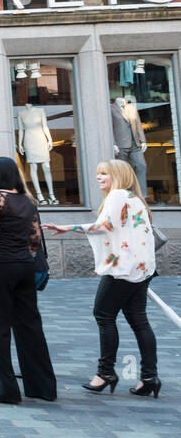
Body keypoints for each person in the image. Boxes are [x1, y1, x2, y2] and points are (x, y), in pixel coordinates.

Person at [44, 159, 161, 397]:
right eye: (98, 173)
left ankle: (106, 373)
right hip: (142, 268)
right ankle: (149, 377)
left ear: (118, 176)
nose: (99, 177)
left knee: (104, 315)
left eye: (104, 173)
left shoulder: (117, 195)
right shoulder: (136, 198)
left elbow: (104, 226)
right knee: (139, 321)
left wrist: (68, 227)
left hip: (123, 269)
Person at [0, 157, 57, 405]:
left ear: (1, 174)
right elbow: (35, 239)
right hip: (24, 265)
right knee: (30, 326)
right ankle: (42, 387)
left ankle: (4, 391)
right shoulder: (27, 200)